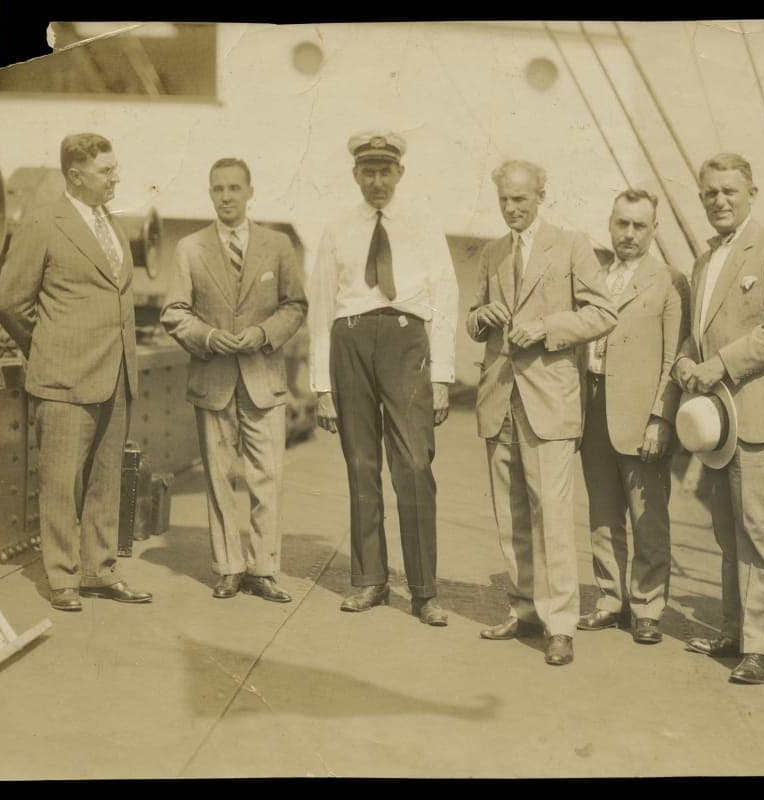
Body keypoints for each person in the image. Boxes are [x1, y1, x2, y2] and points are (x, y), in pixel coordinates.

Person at [673, 152, 764, 684]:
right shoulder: (703, 261)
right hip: (722, 425)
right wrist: (685, 361)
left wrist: (718, 364)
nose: (720, 200)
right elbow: (697, 335)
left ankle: (761, 646)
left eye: (730, 191)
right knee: (728, 531)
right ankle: (734, 630)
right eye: (710, 192)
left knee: (762, 533)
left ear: (751, 193)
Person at [0, 132, 152, 612]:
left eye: (114, 168)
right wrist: (48, 349)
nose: (116, 178)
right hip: (64, 379)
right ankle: (63, 577)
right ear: (75, 174)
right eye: (106, 171)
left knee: (106, 481)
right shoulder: (43, 223)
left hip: (115, 376)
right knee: (61, 484)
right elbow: (9, 303)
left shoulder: (112, 224)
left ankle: (98, 571)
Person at [470, 159, 617, 666]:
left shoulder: (571, 245)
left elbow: (603, 312)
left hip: (550, 402)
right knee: (510, 513)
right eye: (504, 200)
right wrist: (481, 316)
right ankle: (524, 609)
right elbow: (472, 318)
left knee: (551, 515)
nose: (511, 208)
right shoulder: (491, 252)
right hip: (499, 399)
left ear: (540, 196)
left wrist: (547, 327)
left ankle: (560, 625)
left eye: (520, 199)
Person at [307, 131, 458, 626]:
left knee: (413, 464)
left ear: (400, 173)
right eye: (368, 172)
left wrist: (442, 375)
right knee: (361, 464)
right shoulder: (337, 229)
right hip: (350, 341)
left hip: (406, 342)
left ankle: (424, 591)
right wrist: (322, 387)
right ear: (355, 175)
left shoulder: (423, 225)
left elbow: (446, 298)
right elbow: (321, 306)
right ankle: (370, 579)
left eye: (385, 172)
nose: (377, 181)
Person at [161, 158, 307, 603]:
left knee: (268, 478)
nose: (226, 196)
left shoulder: (277, 245)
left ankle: (263, 569)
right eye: (218, 188)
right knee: (219, 477)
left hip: (264, 379)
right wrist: (207, 337)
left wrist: (262, 334)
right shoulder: (190, 248)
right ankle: (228, 567)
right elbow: (174, 312)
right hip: (214, 379)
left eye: (234, 188)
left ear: (249, 192)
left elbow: (295, 305)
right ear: (210, 193)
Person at [578, 189, 690, 645]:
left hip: (642, 415)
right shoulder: (594, 277)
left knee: (648, 517)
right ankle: (610, 599)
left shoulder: (670, 281)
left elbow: (674, 356)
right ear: (610, 224)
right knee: (603, 513)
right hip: (593, 407)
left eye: (639, 225)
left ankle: (647, 606)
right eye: (621, 223)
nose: (629, 233)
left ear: (654, 230)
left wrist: (661, 418)